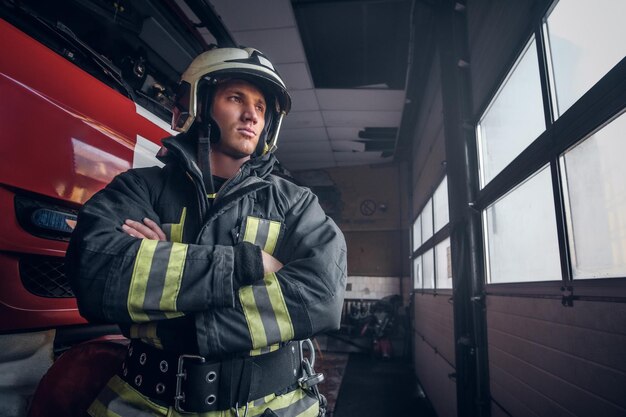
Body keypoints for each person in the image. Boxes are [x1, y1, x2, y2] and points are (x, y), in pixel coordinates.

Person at [66, 46, 347, 417]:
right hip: (142, 403)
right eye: (236, 98)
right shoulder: (138, 188)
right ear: (199, 104)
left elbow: (323, 297)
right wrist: (251, 263)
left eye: (261, 107)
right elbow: (95, 274)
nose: (251, 115)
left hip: (274, 407)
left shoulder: (296, 204)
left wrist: (166, 273)